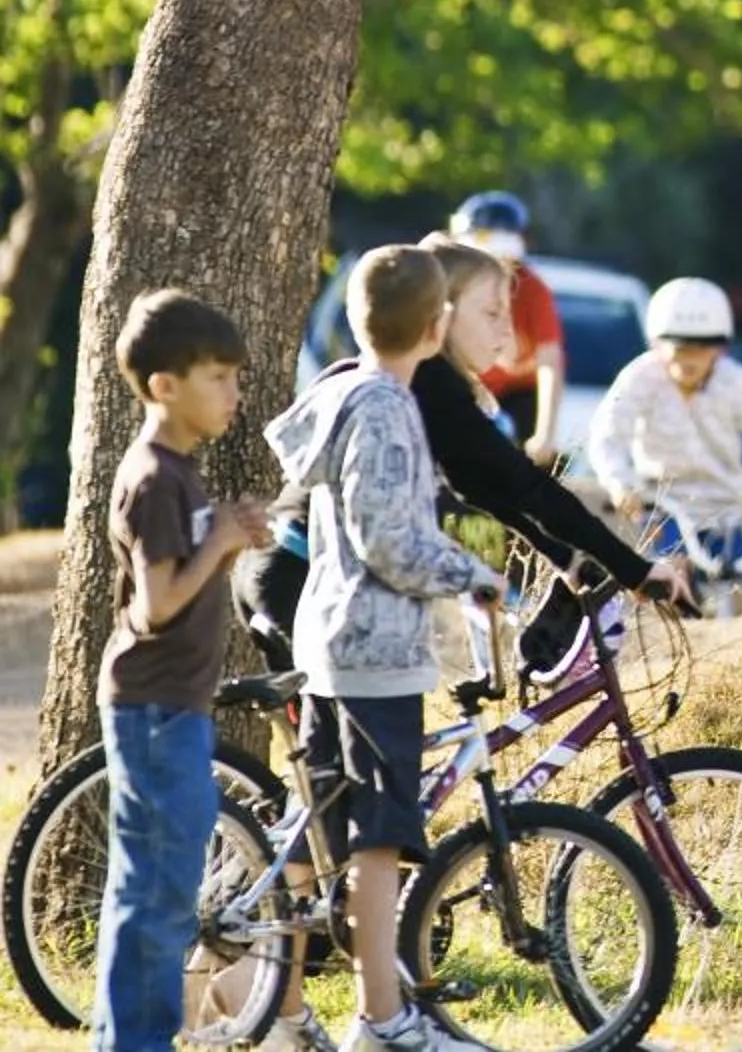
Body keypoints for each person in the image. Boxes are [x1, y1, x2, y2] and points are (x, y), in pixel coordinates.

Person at [262, 245, 505, 1052]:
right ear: (436, 325)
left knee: (314, 824)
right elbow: (390, 541)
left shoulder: (342, 395)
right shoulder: (389, 409)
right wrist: (476, 575)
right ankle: (383, 1019)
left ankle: (285, 1008)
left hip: (328, 638)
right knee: (378, 837)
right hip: (374, 651)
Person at [94, 289, 269, 1052]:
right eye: (220, 377)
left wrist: (230, 537)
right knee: (159, 895)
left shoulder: (179, 472)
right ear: (166, 385)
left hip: (174, 708)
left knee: (159, 888)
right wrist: (219, 539)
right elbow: (159, 602)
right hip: (157, 708)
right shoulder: (154, 476)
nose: (235, 394)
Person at [586, 276, 742, 591]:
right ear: (658, 343)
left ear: (720, 348)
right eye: (680, 347)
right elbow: (607, 433)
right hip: (662, 508)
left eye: (702, 347)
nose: (689, 358)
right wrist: (620, 484)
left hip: (724, 509)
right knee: (673, 580)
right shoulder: (640, 378)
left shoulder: (737, 383)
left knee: (732, 587)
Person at [450, 190, 567, 465]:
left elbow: (549, 361)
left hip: (517, 400)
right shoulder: (449, 287)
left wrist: (545, 434)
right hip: (468, 388)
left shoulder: (533, 290)